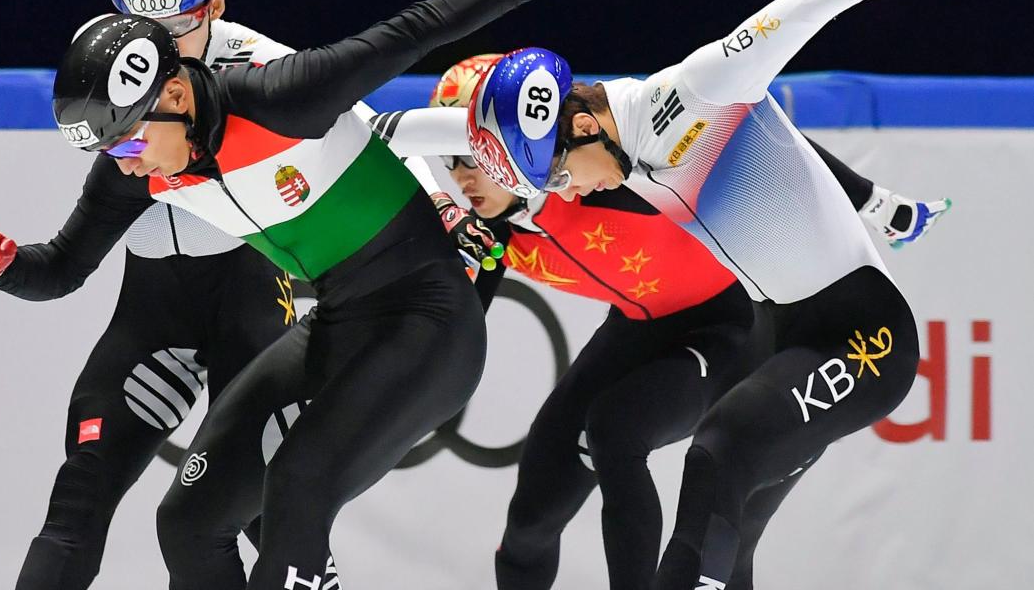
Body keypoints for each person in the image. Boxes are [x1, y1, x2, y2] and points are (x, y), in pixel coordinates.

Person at [462, 0, 1014, 588]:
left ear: (586, 128)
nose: (568, 193)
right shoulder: (618, 153)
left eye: (559, 174)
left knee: (716, 454)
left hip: (865, 338)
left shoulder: (698, 91)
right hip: (779, 338)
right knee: (734, 534)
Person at [45, 0, 624, 589]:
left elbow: (418, 29)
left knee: (296, 491)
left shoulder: (278, 90)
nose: (130, 163)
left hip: (424, 321)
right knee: (188, 520)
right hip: (340, 318)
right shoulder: (147, 140)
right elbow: (63, 260)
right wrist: (6, 265)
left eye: (132, 143)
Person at [369, 53, 947, 590]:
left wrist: (874, 201)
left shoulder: (605, 174)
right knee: (529, 522)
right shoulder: (487, 229)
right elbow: (451, 332)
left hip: (732, 328)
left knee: (616, 430)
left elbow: (778, 148)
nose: (463, 178)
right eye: (451, 162)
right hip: (641, 327)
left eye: (473, 158)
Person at [0, 0, 303, 590]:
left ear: (218, 4)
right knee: (78, 502)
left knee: (267, 522)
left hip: (256, 322)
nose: (157, 47)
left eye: (175, 26)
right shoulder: (125, 82)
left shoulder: (266, 71)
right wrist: (3, 266)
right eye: (142, 23)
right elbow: (62, 265)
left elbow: (359, 149)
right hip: (154, 325)